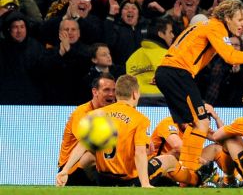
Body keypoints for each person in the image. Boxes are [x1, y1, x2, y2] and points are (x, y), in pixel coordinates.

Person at [155, 0, 243, 171]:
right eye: (239, 19)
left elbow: (180, 48)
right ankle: (188, 169)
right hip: (178, 73)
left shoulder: (202, 25)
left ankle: (185, 168)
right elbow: (230, 56)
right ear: (228, 17)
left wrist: (164, 74)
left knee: (194, 123)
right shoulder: (216, 27)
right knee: (202, 123)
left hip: (169, 71)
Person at [56, 75, 212, 188]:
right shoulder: (139, 119)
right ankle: (196, 179)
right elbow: (139, 153)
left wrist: (65, 170)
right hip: (129, 181)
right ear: (135, 94)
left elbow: (84, 144)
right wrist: (144, 184)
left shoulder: (97, 114)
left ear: (116, 94)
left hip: (104, 179)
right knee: (169, 160)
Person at [57, 73, 116, 186]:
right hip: (71, 167)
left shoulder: (113, 112)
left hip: (93, 165)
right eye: (106, 90)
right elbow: (88, 144)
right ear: (95, 92)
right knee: (91, 156)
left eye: (114, 90)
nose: (111, 94)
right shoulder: (82, 113)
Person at [126, 18, 175, 105]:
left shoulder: (132, 57)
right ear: (161, 34)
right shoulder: (168, 55)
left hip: (136, 105)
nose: (173, 36)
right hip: (163, 104)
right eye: (170, 32)